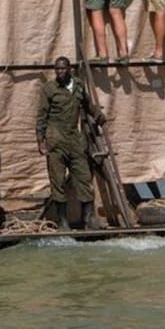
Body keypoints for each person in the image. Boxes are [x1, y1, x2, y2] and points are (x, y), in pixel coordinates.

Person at [35, 56, 107, 230]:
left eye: (62, 69)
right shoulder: (49, 89)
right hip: (56, 139)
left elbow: (88, 104)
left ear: (69, 69)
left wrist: (99, 116)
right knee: (58, 181)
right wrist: (41, 141)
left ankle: (89, 218)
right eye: (57, 69)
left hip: (75, 139)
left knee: (83, 178)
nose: (60, 72)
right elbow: (42, 115)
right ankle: (63, 221)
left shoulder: (78, 85)